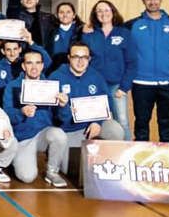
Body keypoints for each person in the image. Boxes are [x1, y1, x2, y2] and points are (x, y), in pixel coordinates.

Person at [49, 43, 124, 172]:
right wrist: (64, 108)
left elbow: (107, 103)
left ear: (89, 59)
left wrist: (97, 122)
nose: (80, 61)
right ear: (69, 58)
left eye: (84, 57)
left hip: (93, 125)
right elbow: (54, 116)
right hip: (69, 129)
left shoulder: (96, 76)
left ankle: (111, 166)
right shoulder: (56, 77)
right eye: (76, 57)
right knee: (72, 170)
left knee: (115, 129)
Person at [125, 0, 169, 142]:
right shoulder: (132, 24)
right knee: (141, 123)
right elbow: (112, 33)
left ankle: (167, 160)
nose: (152, 2)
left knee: (166, 123)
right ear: (143, 1)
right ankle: (140, 160)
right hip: (141, 83)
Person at [2, 50, 69, 187]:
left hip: (43, 135)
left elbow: (62, 118)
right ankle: (14, 159)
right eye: (29, 63)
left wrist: (63, 106)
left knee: (59, 134)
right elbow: (6, 116)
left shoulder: (51, 87)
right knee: (27, 177)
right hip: (23, 138)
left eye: (38, 63)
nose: (34, 67)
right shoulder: (12, 86)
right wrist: (21, 112)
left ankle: (52, 172)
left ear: (43, 65)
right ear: (23, 66)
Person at [82, 0, 134, 140]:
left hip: (116, 86)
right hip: (95, 86)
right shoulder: (89, 34)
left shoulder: (124, 33)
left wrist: (124, 87)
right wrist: (85, 34)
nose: (103, 13)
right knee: (93, 122)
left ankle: (127, 156)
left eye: (106, 10)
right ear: (95, 14)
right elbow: (82, 59)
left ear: (113, 12)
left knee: (122, 121)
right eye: (99, 11)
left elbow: (131, 62)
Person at [0, 30, 51, 102]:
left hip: (21, 104)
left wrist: (31, 42)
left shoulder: (27, 65)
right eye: (8, 50)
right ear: (3, 51)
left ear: (20, 49)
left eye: (15, 49)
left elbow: (47, 62)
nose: (12, 53)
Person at [47, 2, 83, 73]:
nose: (65, 15)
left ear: (74, 15)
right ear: (57, 15)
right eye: (61, 12)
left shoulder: (82, 30)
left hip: (74, 68)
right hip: (54, 68)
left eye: (68, 12)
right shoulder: (50, 30)